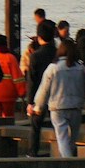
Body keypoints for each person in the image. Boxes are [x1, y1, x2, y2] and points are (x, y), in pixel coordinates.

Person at [31, 37, 85, 168]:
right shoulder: (81, 68)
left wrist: (38, 107)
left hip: (57, 107)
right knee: (72, 138)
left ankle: (68, 167)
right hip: (76, 106)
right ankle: (69, 164)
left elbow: (44, 89)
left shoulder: (53, 68)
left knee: (62, 137)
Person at [25, 19, 59, 157]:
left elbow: (32, 81)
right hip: (57, 93)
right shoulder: (58, 53)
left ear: (39, 36)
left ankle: (33, 152)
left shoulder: (35, 56)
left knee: (36, 126)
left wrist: (30, 101)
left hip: (39, 95)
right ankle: (58, 152)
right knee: (57, 125)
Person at [0, 32, 24, 122]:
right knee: (8, 118)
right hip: (9, 95)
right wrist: (22, 92)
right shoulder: (10, 58)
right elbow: (17, 78)